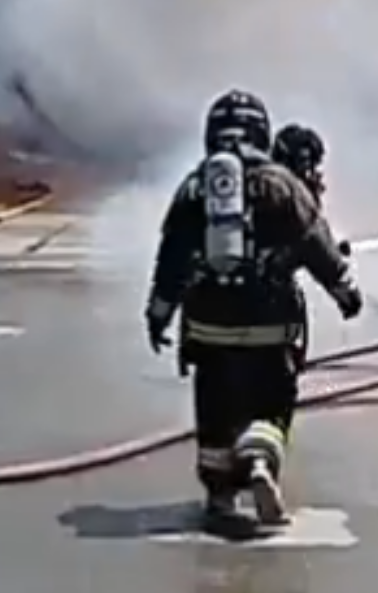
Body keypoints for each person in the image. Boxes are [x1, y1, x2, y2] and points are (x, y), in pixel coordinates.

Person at [144, 90, 362, 529]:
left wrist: (159, 313)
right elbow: (316, 243)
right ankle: (261, 462)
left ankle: (221, 498)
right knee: (271, 405)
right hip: (271, 326)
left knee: (215, 414)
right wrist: (345, 292)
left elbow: (171, 259)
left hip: (208, 328)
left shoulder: (194, 187)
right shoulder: (283, 184)